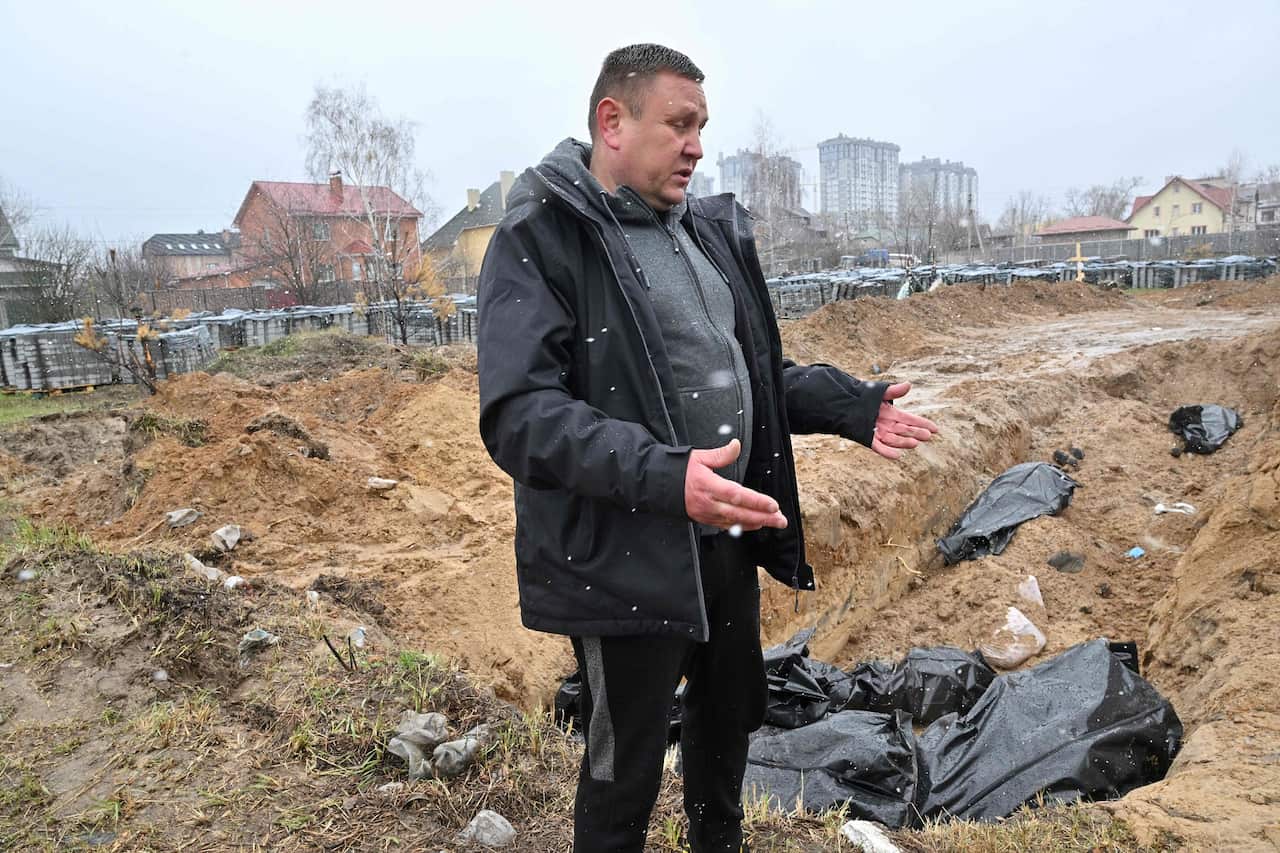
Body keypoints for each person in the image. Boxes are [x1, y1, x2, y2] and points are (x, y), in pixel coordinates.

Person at [477, 43, 938, 853]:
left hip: (723, 536)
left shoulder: (704, 233)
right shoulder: (542, 235)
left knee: (728, 724)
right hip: (624, 551)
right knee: (625, 772)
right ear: (612, 122)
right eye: (678, 124)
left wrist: (852, 407)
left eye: (702, 126)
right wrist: (665, 476)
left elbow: (751, 369)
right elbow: (520, 415)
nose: (696, 144)